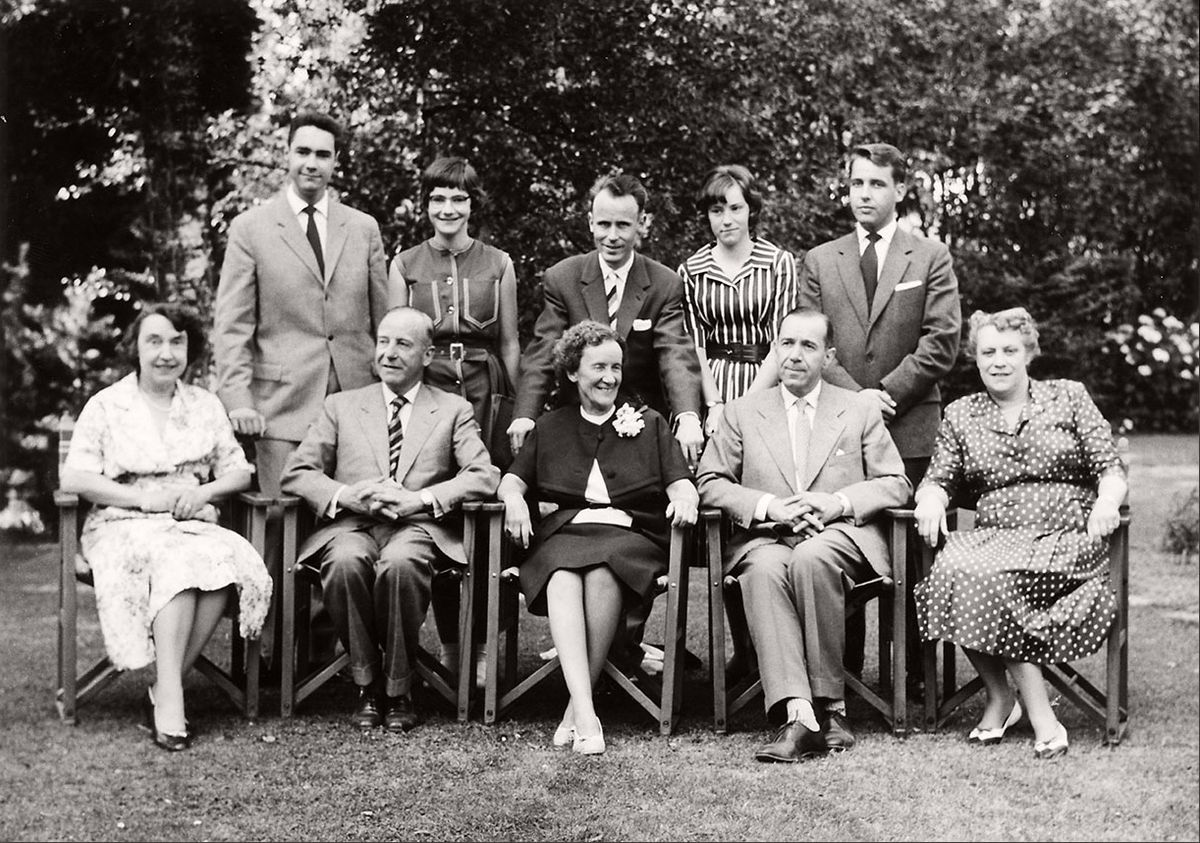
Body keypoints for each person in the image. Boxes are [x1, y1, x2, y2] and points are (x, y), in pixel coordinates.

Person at [506, 171, 704, 672]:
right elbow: (541, 354)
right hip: (579, 420)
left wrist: (684, 415)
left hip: (639, 427)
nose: (612, 236)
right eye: (603, 224)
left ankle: (613, 647)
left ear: (643, 226)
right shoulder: (563, 277)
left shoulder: (662, 282)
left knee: (632, 533)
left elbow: (675, 354)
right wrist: (527, 416)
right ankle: (612, 653)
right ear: (589, 222)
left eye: (623, 225)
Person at [696, 307, 910, 763]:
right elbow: (710, 482)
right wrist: (768, 506)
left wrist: (837, 503)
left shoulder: (857, 410)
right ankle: (804, 715)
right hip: (767, 538)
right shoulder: (742, 412)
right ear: (774, 348)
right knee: (768, 568)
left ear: (828, 356)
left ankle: (830, 705)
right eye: (787, 343)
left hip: (839, 537)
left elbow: (895, 482)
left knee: (812, 556)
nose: (794, 355)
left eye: (808, 346)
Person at [214, 110, 389, 667]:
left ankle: (327, 657)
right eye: (303, 152)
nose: (312, 163)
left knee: (350, 529)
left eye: (324, 154)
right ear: (286, 155)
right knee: (277, 533)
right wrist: (238, 400)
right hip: (279, 409)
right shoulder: (251, 229)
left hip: (354, 404)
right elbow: (233, 327)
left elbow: (386, 323)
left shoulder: (362, 228)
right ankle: (270, 657)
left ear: (337, 162)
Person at [913, 307, 1127, 760]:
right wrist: (931, 498)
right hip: (995, 541)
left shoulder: (1068, 396)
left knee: (978, 574)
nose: (999, 361)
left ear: (1029, 352)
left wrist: (1107, 501)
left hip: (1066, 539)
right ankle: (1009, 698)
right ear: (975, 358)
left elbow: (1109, 467)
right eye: (988, 352)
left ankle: (1020, 707)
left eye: (1010, 350)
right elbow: (939, 477)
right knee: (955, 565)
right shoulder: (960, 413)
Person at [60, 303, 273, 752]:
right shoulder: (107, 404)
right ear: (135, 349)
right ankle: (172, 697)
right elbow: (75, 478)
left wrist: (202, 494)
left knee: (222, 559)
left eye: (177, 341)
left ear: (188, 348)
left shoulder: (204, 404)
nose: (166, 352)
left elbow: (239, 472)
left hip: (188, 518)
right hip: (121, 521)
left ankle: (165, 685)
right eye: (154, 341)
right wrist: (143, 498)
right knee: (182, 560)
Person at [280, 307, 499, 732]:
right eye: (384, 342)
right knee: (345, 563)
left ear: (427, 354)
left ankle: (399, 687)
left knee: (401, 565)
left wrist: (420, 500)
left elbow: (483, 474)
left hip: (417, 529)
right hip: (352, 526)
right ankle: (367, 682)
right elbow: (297, 473)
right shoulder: (341, 406)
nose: (389, 353)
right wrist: (348, 496)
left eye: (403, 344)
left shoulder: (452, 409)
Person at [797, 141, 962, 679]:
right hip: (837, 430)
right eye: (856, 183)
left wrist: (883, 395)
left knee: (915, 555)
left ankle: (913, 677)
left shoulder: (929, 256)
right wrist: (855, 400)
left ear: (898, 190)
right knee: (838, 540)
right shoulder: (821, 259)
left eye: (876, 183)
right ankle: (840, 676)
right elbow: (811, 342)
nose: (864, 193)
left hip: (910, 428)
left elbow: (942, 341)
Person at [497, 321, 699, 755]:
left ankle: (577, 710)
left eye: (616, 368)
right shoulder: (551, 426)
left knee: (605, 569)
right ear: (572, 372)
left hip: (628, 538)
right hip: (564, 536)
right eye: (598, 368)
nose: (609, 377)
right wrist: (513, 499)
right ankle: (586, 713)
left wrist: (687, 497)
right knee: (563, 576)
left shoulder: (649, 422)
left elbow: (679, 482)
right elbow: (512, 481)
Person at [388, 156, 520, 679]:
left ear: (472, 205)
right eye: (438, 198)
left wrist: (518, 411)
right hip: (430, 392)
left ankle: (485, 648)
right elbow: (396, 341)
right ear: (426, 206)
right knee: (438, 512)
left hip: (487, 391)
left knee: (489, 515)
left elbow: (509, 342)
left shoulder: (499, 263)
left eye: (458, 199)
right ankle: (447, 645)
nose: (448, 208)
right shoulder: (404, 265)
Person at [678, 163, 800, 679]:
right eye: (715, 209)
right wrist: (715, 406)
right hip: (715, 393)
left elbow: (784, 337)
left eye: (735, 207)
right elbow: (693, 345)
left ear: (751, 209)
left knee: (766, 502)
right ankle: (743, 652)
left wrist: (747, 402)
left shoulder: (778, 263)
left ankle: (779, 645)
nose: (726, 219)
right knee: (724, 512)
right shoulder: (692, 270)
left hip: (766, 385)